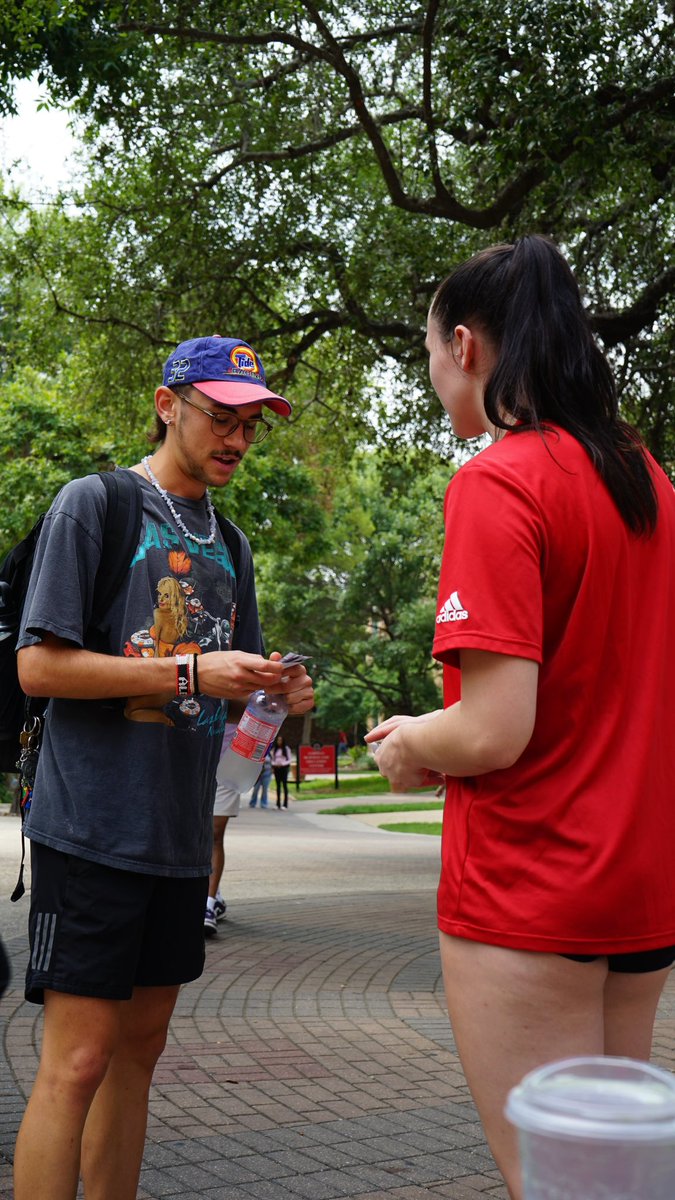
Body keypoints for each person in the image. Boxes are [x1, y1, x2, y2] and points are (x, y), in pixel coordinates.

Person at [365, 237, 675, 1200]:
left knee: (554, 1188)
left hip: (532, 885)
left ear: (465, 345)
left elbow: (495, 730)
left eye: (426, 353)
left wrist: (413, 739)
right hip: (640, 885)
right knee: (609, 1184)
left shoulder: (498, 481)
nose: (430, 377)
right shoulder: (647, 480)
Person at [13, 334, 314, 1200]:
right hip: (91, 828)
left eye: (252, 425)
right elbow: (40, 669)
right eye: (222, 416)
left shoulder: (235, 543)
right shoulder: (94, 506)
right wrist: (187, 670)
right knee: (78, 1061)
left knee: (138, 1059)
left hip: (178, 840)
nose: (237, 439)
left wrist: (274, 692)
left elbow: (231, 685)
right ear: (166, 403)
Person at [205, 722, 239, 935]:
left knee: (214, 835)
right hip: (187, 762)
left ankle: (207, 905)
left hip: (228, 765)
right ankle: (211, 893)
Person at [272, 734, 292, 809]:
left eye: (280, 740)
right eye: (278, 740)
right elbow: (273, 759)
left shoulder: (286, 749)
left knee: (284, 785)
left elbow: (289, 759)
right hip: (277, 768)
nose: (279, 741)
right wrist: (275, 764)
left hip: (284, 768)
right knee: (278, 786)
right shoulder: (275, 749)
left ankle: (285, 804)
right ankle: (278, 804)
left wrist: (282, 764)